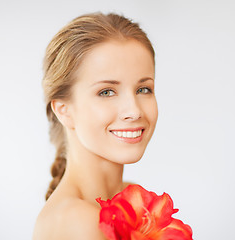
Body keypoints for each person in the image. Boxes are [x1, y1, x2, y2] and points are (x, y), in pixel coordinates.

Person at [33, 12, 158, 239]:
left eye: (143, 89)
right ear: (64, 110)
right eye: (107, 92)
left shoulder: (131, 199)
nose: (134, 111)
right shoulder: (77, 220)